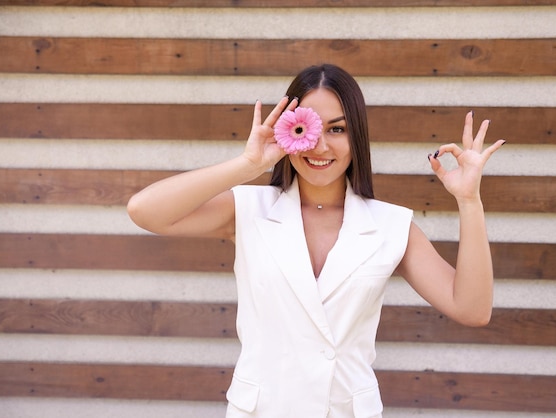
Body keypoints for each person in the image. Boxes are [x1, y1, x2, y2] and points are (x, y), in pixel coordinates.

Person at [127, 63, 505, 418]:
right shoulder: (248, 209)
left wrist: (469, 200)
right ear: (287, 131)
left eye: (337, 129)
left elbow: (472, 310)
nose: (320, 146)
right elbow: (145, 210)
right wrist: (249, 165)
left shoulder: (391, 225)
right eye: (306, 128)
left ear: (357, 137)